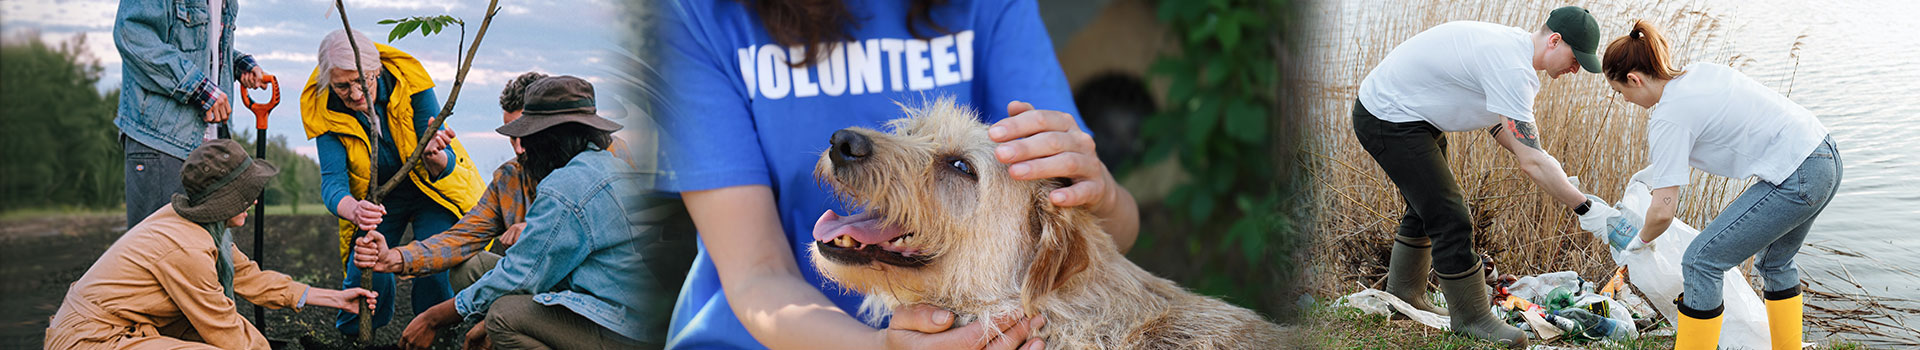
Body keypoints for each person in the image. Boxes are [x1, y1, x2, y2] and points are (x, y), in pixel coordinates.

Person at [658, 0, 1141, 348]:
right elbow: (758, 273)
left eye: (956, 167)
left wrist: (1104, 196)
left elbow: (1092, 237)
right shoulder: (696, 16)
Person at [1349, 6, 1618, 345]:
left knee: (1427, 207)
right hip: (1388, 116)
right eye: (1575, 58)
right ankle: (1472, 317)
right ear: (1554, 40)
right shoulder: (1512, 66)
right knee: (1450, 216)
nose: (1576, 69)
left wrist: (1546, 164)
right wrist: (1585, 208)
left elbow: (1506, 131)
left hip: (1412, 115)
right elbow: (1530, 161)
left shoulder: (1511, 51)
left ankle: (1403, 296)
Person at [357, 76, 655, 349]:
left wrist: (436, 317)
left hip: (615, 315)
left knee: (503, 316)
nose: (521, 148)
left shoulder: (570, 184)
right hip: (574, 286)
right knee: (471, 267)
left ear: (553, 136)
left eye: (528, 137)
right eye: (514, 137)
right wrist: (396, 257)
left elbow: (522, 274)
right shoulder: (518, 176)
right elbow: (463, 238)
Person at [1600, 20, 1840, 350]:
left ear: (1634, 79)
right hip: (1824, 154)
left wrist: (1637, 244)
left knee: (1700, 261)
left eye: (1620, 92)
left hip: (1796, 174)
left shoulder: (1668, 116)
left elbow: (1663, 212)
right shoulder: (1697, 74)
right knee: (1774, 263)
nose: (1624, 100)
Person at [46, 139, 378, 350]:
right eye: (246, 196)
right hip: (89, 339)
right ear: (222, 201)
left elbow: (250, 277)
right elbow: (223, 327)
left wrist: (336, 298)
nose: (253, 203)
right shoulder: (186, 247)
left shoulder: (201, 227)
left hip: (128, 326)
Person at [298, 29, 486, 336]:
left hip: (432, 192)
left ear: (377, 69)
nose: (356, 94)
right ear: (329, 82)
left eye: (362, 81)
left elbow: (446, 159)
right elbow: (333, 184)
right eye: (343, 86)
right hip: (378, 201)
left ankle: (438, 334)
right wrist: (355, 210)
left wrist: (433, 155)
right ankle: (354, 337)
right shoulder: (324, 108)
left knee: (435, 265)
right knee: (367, 265)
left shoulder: (411, 82)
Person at [113, 0, 273, 224]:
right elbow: (133, 35)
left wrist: (236, 62)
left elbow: (199, 43)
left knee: (204, 248)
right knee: (162, 248)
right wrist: (199, 88)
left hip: (209, 142)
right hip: (162, 139)